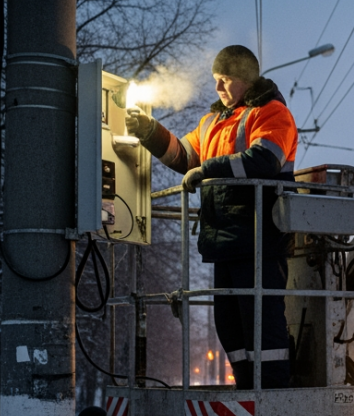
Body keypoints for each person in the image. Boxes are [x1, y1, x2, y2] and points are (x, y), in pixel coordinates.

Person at [127, 45, 297, 389]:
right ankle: (248, 388)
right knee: (230, 323)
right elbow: (183, 156)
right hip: (225, 241)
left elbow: (264, 160)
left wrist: (207, 170)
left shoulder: (273, 113)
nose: (219, 87)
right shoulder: (212, 122)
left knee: (261, 322)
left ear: (246, 80)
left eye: (226, 80)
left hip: (260, 237)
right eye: (216, 80)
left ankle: (274, 392)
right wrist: (149, 130)